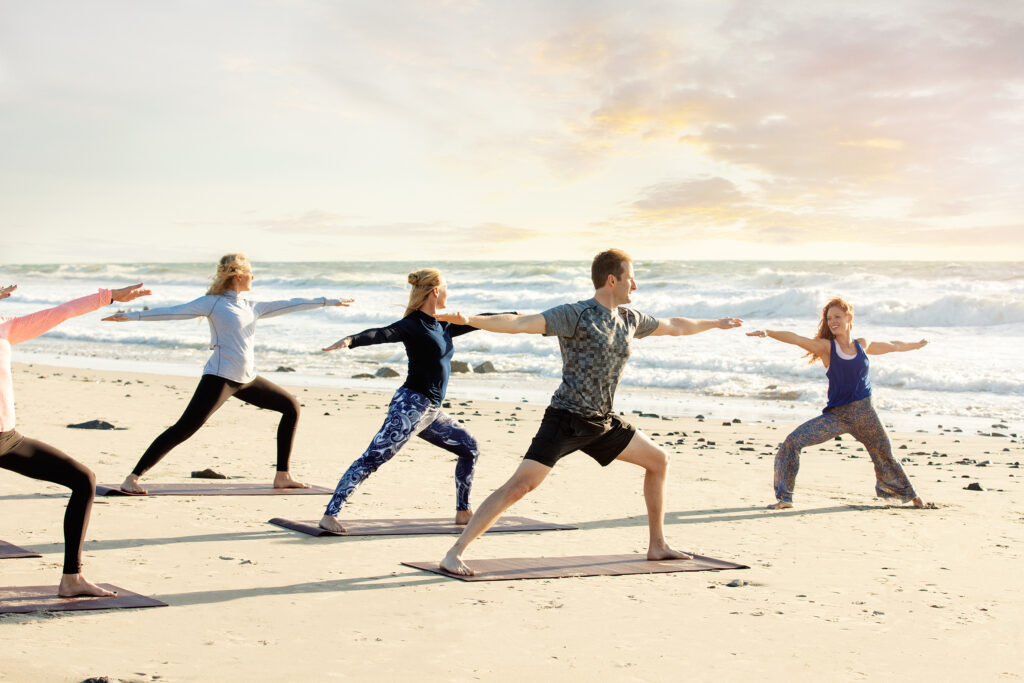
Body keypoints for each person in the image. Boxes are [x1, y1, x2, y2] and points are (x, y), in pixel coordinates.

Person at [434, 249, 743, 575]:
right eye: (630, 277)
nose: (635, 285)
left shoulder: (630, 319)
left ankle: (657, 545)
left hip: (602, 421)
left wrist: (716, 323)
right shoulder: (575, 315)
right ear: (613, 279)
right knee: (520, 486)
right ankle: (455, 552)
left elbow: (675, 325)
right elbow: (522, 322)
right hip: (567, 418)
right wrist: (470, 320)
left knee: (658, 461)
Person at [104, 254, 351, 494]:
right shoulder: (213, 303)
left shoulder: (250, 306)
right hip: (220, 378)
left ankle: (283, 476)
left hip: (247, 378)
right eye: (250, 272)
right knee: (185, 428)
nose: (254, 276)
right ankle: (132, 478)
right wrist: (131, 316)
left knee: (291, 407)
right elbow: (173, 311)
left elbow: (291, 304)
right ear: (238, 275)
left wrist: (329, 301)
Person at [319, 268, 501, 532]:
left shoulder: (443, 324)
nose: (449, 292)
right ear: (436, 291)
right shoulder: (413, 324)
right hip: (410, 407)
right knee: (373, 458)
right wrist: (350, 340)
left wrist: (520, 318)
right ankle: (330, 515)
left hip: (431, 411)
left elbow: (481, 320)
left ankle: (463, 512)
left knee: (469, 448)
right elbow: (382, 333)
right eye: (447, 287)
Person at [1, 281, 151, 596]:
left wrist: (109, 297)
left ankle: (72, 578)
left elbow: (62, 312)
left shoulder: (5, 330)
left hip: (7, 439)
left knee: (83, 479)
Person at [747, 297, 927, 509]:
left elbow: (893, 346)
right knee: (792, 442)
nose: (833, 321)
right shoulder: (826, 347)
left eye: (837, 317)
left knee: (884, 454)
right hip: (837, 416)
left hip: (866, 413)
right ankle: (784, 498)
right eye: (829, 318)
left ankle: (911, 497)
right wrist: (769, 332)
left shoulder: (862, 344)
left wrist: (916, 345)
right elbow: (796, 338)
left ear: (849, 317)